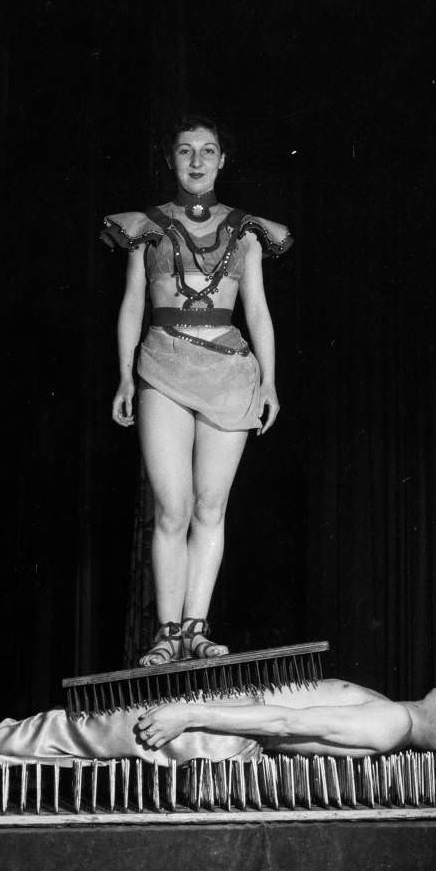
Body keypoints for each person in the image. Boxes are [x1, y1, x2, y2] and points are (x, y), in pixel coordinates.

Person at [103, 115, 293, 666]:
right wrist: (122, 374)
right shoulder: (146, 226)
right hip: (162, 365)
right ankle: (166, 634)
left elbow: (257, 308)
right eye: (186, 151)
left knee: (211, 507)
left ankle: (195, 628)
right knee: (173, 507)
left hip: (231, 372)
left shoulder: (248, 230)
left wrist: (271, 382)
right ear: (171, 159)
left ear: (222, 161)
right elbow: (133, 303)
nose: (196, 161)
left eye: (207, 151)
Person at [0, 681, 436, 788]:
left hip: (209, 735)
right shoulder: (387, 712)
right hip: (211, 726)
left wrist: (189, 715)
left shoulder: (385, 722)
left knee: (60, 737)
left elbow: (282, 723)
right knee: (60, 734)